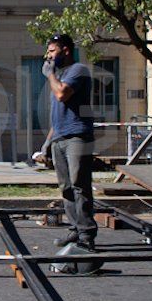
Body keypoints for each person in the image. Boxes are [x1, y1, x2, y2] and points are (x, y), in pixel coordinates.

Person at [42, 33, 98, 249]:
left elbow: (62, 95)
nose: (48, 56)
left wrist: (49, 75)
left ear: (65, 50)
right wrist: (47, 144)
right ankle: (75, 229)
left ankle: (86, 235)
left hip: (77, 136)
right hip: (60, 137)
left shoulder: (78, 71)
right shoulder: (59, 75)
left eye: (52, 51)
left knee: (79, 185)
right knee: (66, 187)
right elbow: (58, 116)